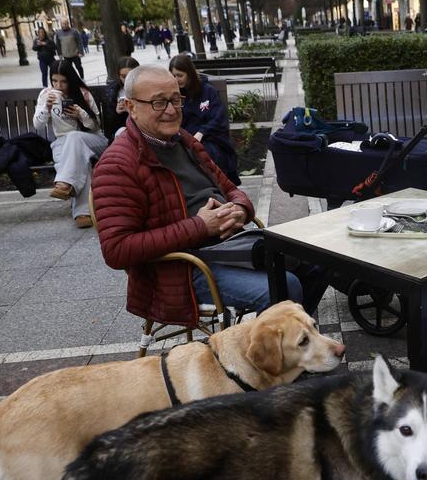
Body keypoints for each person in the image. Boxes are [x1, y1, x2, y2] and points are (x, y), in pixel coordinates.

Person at [91, 64, 306, 322]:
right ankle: (266, 356)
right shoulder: (118, 165)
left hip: (229, 247)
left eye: (175, 99)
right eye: (159, 103)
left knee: (312, 260)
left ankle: (289, 350)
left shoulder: (183, 141)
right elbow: (116, 250)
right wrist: (200, 227)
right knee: (286, 285)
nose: (171, 111)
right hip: (180, 272)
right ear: (131, 107)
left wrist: (240, 209)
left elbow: (230, 189)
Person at [33, 60, 106, 228]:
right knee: (77, 160)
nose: (59, 86)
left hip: (93, 140)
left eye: (63, 81)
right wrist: (46, 107)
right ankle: (82, 212)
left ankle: (65, 184)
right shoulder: (46, 95)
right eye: (55, 81)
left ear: (71, 80)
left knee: (74, 139)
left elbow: (96, 126)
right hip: (62, 142)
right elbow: (37, 125)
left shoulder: (83, 94)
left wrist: (81, 114)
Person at [169, 54, 240, 185]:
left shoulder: (208, 91)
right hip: (183, 139)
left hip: (211, 137)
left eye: (180, 75)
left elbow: (218, 119)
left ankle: (216, 189)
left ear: (189, 73)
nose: (176, 79)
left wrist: (202, 132)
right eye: (173, 76)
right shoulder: (173, 96)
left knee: (208, 153)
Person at [104, 56, 139, 138]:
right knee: (121, 132)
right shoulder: (114, 91)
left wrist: (132, 111)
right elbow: (109, 127)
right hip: (121, 131)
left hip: (142, 130)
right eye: (123, 76)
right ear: (119, 76)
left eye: (131, 76)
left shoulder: (145, 89)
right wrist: (117, 113)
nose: (127, 79)